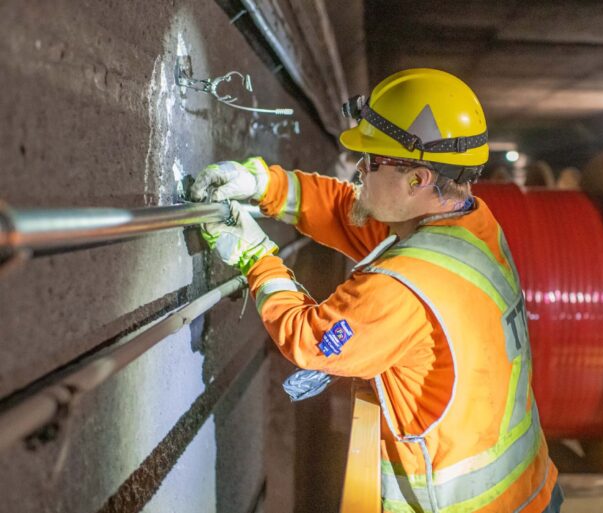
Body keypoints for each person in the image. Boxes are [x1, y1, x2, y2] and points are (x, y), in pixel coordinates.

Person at [191, 68, 561, 512]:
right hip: (534, 490)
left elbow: (311, 341)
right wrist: (267, 185)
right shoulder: (470, 225)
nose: (359, 170)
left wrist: (255, 256)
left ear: (418, 180)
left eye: (372, 162)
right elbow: (354, 211)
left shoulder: (404, 285)